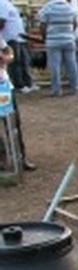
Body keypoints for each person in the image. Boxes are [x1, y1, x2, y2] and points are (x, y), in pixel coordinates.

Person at [36, 0, 78, 97]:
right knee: (72, 63)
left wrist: (44, 37)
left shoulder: (48, 7)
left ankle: (56, 90)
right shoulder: (70, 7)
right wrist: (69, 32)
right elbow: (75, 23)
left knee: (55, 66)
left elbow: (42, 24)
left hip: (53, 40)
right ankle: (75, 88)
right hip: (69, 39)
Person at [0, 37, 35, 170]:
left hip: (3, 86)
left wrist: (8, 56)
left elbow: (7, 49)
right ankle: (2, 160)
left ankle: (20, 158)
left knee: (13, 122)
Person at [0, 0, 36, 93]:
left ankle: (27, 82)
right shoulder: (2, 2)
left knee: (24, 60)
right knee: (16, 61)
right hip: (10, 36)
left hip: (17, 36)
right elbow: (2, 20)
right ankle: (19, 84)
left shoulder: (7, 2)